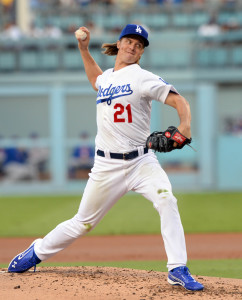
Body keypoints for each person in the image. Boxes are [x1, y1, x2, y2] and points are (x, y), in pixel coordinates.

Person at [8, 24, 204, 292]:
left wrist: (185, 127)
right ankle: (37, 251)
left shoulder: (142, 77)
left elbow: (180, 101)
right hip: (106, 166)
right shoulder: (108, 78)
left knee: (167, 199)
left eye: (139, 44)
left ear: (141, 52)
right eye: (129, 41)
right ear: (120, 43)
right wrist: (83, 49)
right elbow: (95, 80)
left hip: (141, 162)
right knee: (83, 223)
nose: (133, 46)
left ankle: (177, 268)